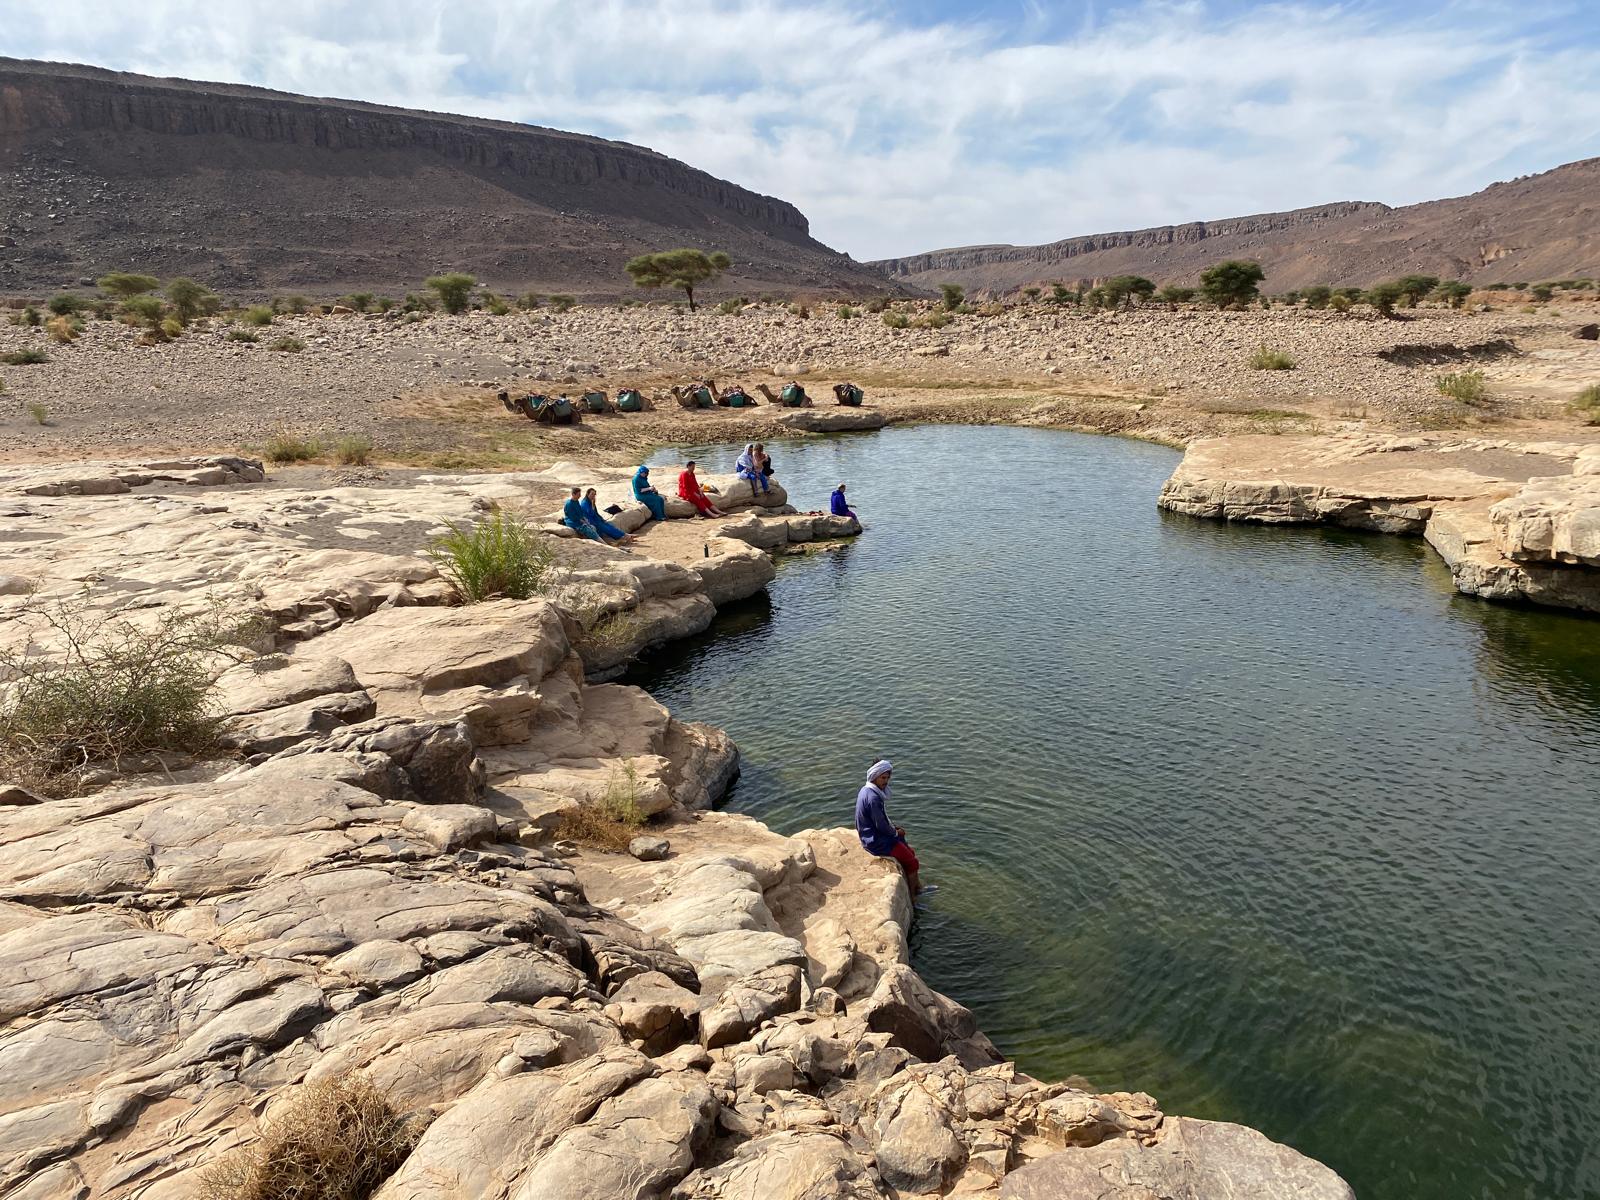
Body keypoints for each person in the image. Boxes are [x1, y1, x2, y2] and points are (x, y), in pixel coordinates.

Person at [854, 759, 921, 896]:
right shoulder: (873, 798)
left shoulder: (866, 790)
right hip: (876, 841)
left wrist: (896, 831)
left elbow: (881, 822)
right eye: (883, 778)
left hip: (873, 835)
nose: (886, 781)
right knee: (913, 863)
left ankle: (918, 887)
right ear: (874, 776)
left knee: (909, 850)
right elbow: (882, 826)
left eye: (888, 778)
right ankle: (914, 896)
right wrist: (895, 833)